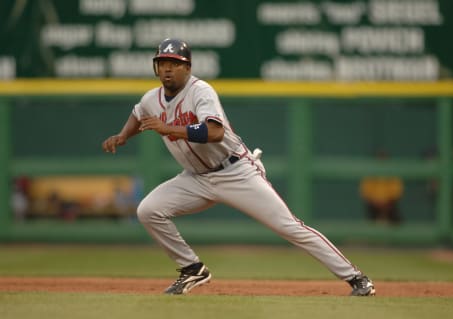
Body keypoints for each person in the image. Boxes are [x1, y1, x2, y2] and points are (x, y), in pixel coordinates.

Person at [102, 38, 375, 296]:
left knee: (289, 226)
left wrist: (168, 128)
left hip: (235, 171)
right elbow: (139, 113)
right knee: (148, 210)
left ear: (187, 68)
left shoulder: (200, 91)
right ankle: (192, 268)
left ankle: (357, 278)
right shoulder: (153, 99)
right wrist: (124, 135)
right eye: (162, 63)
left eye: (174, 63)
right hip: (195, 178)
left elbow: (215, 132)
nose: (167, 68)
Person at [359, 150, 403, 225]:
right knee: (369, 222)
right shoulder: (370, 174)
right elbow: (365, 193)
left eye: (384, 159)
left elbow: (396, 193)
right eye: (380, 159)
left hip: (389, 206)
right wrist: (376, 204)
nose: (382, 161)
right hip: (373, 206)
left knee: (398, 221)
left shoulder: (393, 174)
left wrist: (386, 206)